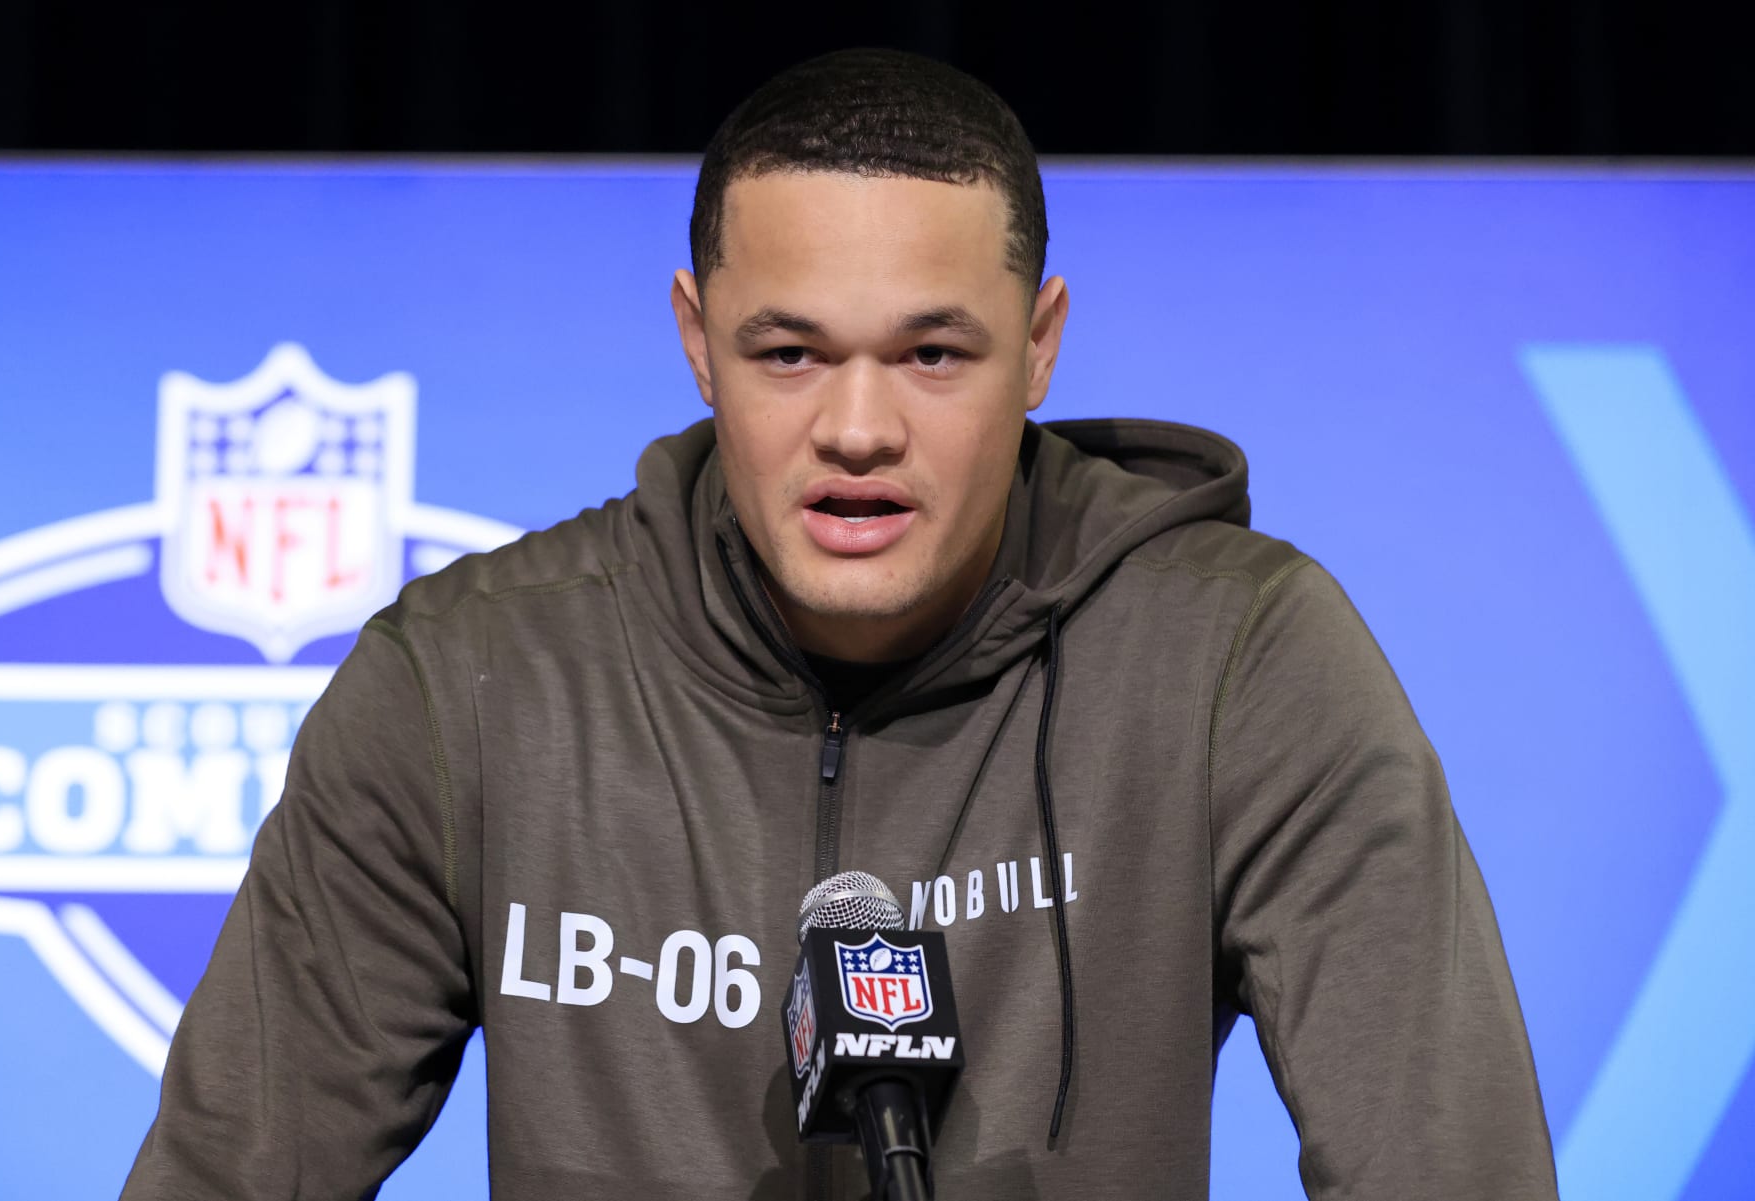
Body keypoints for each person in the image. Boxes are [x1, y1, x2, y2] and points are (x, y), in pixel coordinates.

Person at [122, 48, 1558, 1200]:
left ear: (1043, 342)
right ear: (696, 339)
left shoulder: (1238, 661)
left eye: (934, 353)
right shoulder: (472, 684)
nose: (857, 429)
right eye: (790, 352)